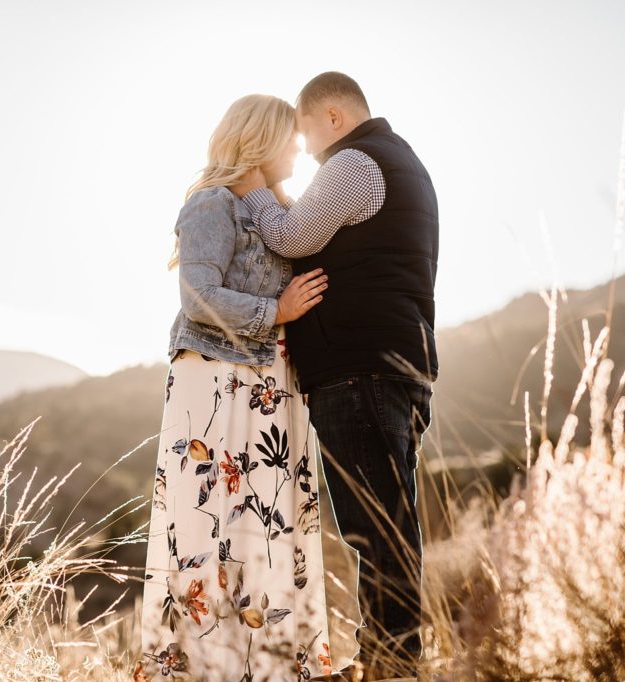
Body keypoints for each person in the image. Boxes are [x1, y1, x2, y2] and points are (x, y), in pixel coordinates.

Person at [233, 72, 439, 680]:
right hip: (385, 367)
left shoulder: (354, 161)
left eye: (305, 136)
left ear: (331, 115)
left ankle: (394, 665)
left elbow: (294, 237)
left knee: (376, 527)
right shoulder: (398, 163)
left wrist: (256, 186)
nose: (306, 156)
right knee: (384, 522)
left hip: (359, 372)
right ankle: (387, 658)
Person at [137, 94, 339, 681]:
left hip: (272, 386)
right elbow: (198, 298)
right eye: (290, 139)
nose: (300, 150)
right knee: (210, 522)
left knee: (267, 528)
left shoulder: (278, 210)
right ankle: (204, 667)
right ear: (260, 140)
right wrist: (275, 310)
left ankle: (270, 666)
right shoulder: (210, 203)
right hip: (218, 380)